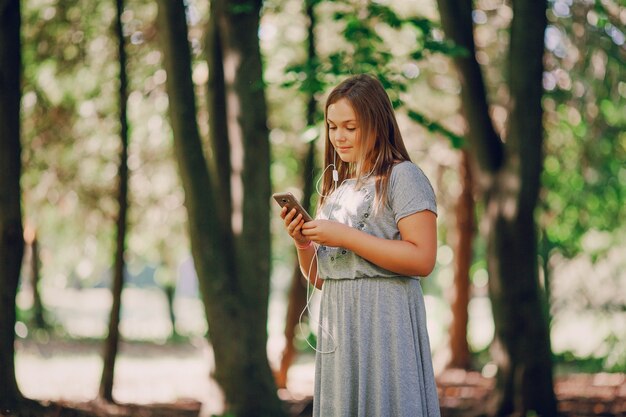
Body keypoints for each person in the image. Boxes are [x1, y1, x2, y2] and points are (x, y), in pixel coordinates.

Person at [280, 74, 440, 417]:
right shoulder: (337, 192)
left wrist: (345, 236)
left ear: (377, 124)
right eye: (332, 126)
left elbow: (423, 258)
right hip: (341, 326)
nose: (339, 136)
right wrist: (301, 243)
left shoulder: (404, 177)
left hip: (386, 324)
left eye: (350, 127)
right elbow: (323, 277)